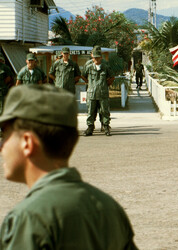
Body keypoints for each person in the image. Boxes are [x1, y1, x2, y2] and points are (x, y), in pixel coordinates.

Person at [0, 85, 137, 248]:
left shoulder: (29, 219)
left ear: (27, 143)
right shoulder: (110, 209)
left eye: (4, 135)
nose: (2, 146)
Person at [82, 48, 114, 136]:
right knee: (91, 111)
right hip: (92, 94)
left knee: (104, 111)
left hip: (103, 93)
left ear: (101, 58)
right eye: (94, 58)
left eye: (98, 58)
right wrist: (90, 84)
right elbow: (83, 76)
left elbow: (112, 77)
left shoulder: (105, 67)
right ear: (92, 58)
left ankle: (106, 126)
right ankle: (90, 127)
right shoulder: (89, 67)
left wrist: (105, 84)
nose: (96, 59)